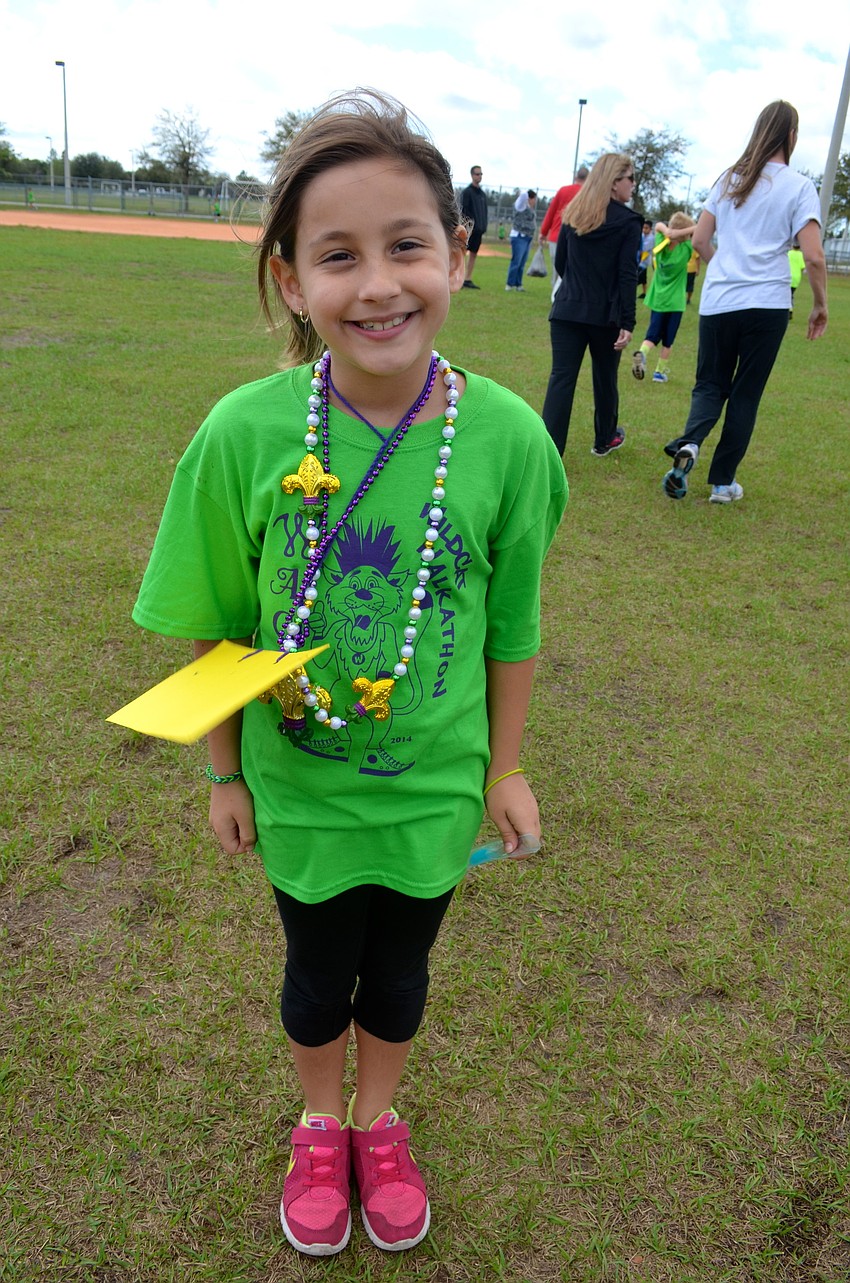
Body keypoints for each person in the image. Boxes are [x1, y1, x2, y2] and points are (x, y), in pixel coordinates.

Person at [131, 90, 567, 1259]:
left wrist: (505, 767)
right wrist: (225, 773)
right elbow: (217, 621)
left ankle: (379, 1117)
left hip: (433, 787)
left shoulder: (510, 440)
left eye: (406, 245)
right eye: (337, 256)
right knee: (320, 973)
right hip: (303, 791)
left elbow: (511, 622)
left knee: (403, 970)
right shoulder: (243, 434)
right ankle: (320, 1121)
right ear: (289, 278)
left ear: (458, 255)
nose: (377, 284)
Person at [662, 100, 828, 503]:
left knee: (709, 384)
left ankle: (690, 443)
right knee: (745, 393)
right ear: (792, 136)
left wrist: (726, 269)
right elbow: (813, 256)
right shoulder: (799, 186)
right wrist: (820, 304)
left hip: (719, 301)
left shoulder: (728, 179)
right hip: (767, 304)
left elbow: (700, 240)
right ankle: (722, 483)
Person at [541, 153, 641, 456]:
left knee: (561, 380)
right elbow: (627, 275)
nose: (633, 184)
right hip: (605, 315)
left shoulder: (573, 214)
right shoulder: (628, 222)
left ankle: (550, 451)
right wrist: (627, 321)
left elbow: (561, 263)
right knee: (605, 377)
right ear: (614, 182)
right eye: (630, 178)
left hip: (568, 309)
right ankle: (605, 438)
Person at [631, 212, 696, 383]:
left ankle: (642, 353)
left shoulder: (660, 243)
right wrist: (683, 232)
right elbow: (697, 231)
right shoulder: (685, 249)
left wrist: (668, 232)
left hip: (658, 300)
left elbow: (659, 225)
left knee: (652, 335)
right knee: (668, 340)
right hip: (675, 302)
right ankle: (659, 373)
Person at [538, 166, 589, 299]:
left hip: (556, 235)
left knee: (557, 269)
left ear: (576, 177)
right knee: (573, 269)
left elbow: (551, 211)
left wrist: (543, 232)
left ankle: (556, 297)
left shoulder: (563, 191)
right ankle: (564, 297)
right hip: (577, 237)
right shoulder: (587, 193)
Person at [460, 164, 488, 288]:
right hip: (469, 230)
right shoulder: (467, 192)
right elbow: (464, 211)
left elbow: (484, 212)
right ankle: (458, 278)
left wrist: (483, 226)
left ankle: (468, 278)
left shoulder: (482, 194)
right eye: (477, 174)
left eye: (481, 174)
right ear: (472, 175)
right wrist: (469, 226)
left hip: (479, 231)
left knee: (474, 254)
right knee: (462, 253)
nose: (479, 176)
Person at [505, 189, 537, 291]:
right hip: (519, 237)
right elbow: (523, 195)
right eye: (534, 199)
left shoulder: (530, 208)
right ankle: (509, 284)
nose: (535, 201)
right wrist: (526, 194)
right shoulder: (521, 206)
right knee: (516, 261)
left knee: (522, 262)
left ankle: (518, 284)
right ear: (530, 198)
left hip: (527, 238)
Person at [788, 243, 805, 318]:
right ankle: (790, 310)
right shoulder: (801, 255)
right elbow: (802, 267)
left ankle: (789, 310)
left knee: (787, 295)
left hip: (787, 276)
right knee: (791, 294)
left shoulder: (789, 253)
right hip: (796, 277)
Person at [637, 220, 654, 297]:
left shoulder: (651, 238)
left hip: (644, 261)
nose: (644, 229)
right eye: (643, 227)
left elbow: (643, 249)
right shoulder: (643, 235)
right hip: (641, 260)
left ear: (650, 229)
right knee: (643, 278)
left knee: (637, 277)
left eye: (646, 228)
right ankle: (644, 293)